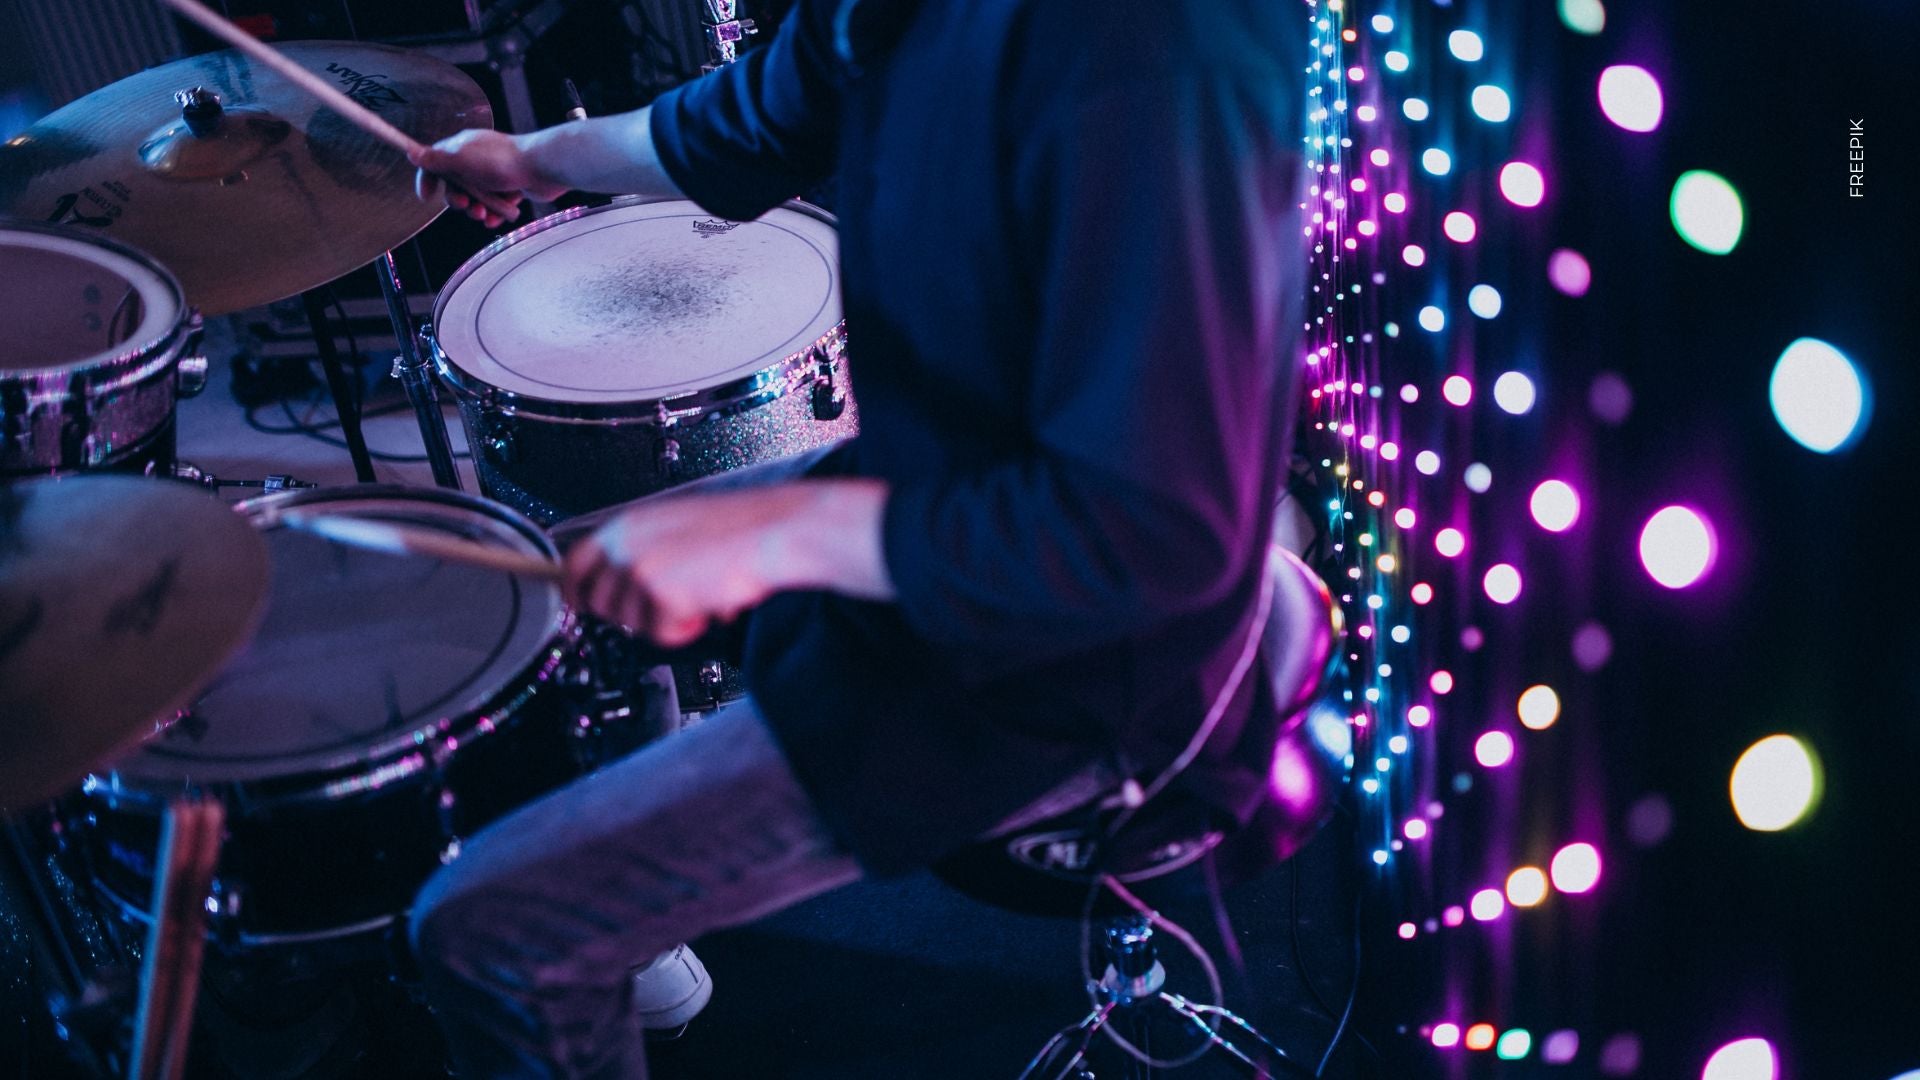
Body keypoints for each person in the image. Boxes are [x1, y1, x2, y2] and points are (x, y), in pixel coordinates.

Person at [406, 0, 1307, 1074]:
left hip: (1066, 660)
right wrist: (537, 156)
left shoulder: (1160, 52)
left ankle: (575, 940)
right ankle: (635, 942)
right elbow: (753, 116)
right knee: (553, 592)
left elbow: (1149, 535)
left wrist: (770, 534)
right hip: (940, 494)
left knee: (487, 933)